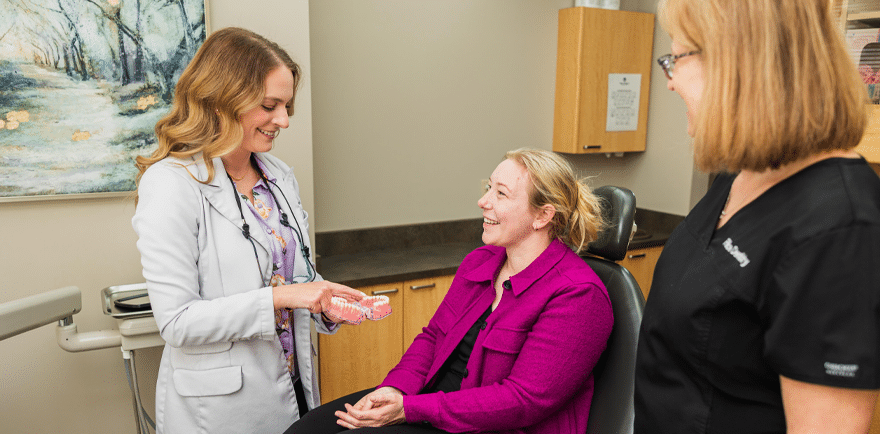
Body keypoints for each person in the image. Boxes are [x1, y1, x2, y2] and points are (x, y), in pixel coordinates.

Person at [635, 0, 880, 433]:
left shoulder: (840, 227)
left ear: (736, 60)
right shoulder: (739, 176)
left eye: (677, 58)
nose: (669, 83)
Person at [132, 27, 364, 433]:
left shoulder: (277, 176)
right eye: (270, 105)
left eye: (287, 105)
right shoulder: (172, 183)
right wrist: (284, 296)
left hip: (292, 382)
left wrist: (326, 299)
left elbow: (294, 275)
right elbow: (177, 322)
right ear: (223, 100)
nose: (284, 121)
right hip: (221, 407)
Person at [285, 148, 614, 434]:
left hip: (492, 427)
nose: (483, 201)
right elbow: (433, 337)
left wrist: (411, 409)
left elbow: (522, 400)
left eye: (500, 194)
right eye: (488, 188)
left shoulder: (578, 295)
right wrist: (395, 389)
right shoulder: (481, 262)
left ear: (543, 215)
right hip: (430, 406)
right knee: (307, 429)